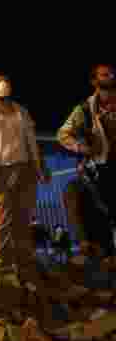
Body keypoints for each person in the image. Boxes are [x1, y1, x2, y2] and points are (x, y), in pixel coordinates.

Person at [0, 74, 50, 270]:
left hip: (25, 167)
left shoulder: (21, 112)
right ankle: (3, 263)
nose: (3, 83)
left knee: (24, 217)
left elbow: (32, 141)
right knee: (2, 218)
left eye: (5, 80)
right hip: (0, 171)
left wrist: (41, 166)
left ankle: (24, 260)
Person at [58, 63, 116, 258]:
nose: (110, 76)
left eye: (111, 73)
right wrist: (82, 148)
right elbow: (63, 134)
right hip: (101, 167)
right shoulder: (84, 110)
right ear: (94, 81)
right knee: (77, 195)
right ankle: (95, 249)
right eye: (104, 74)